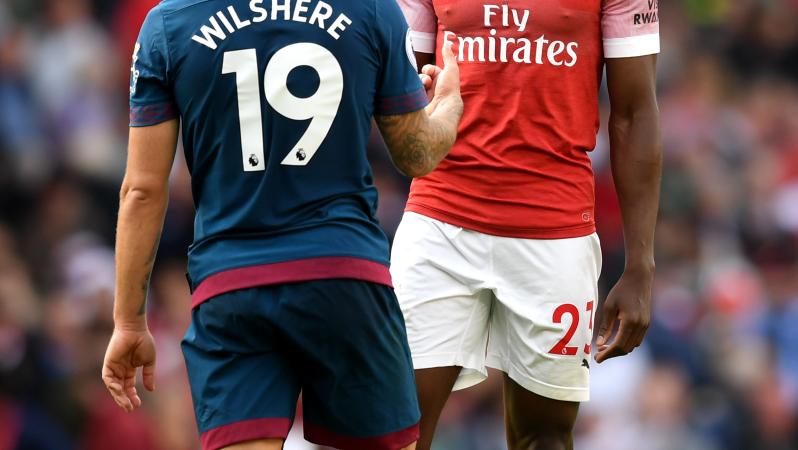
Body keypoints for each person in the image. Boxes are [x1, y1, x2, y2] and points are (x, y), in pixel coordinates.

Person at [100, 1, 463, 449]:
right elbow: (417, 155)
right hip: (345, 279)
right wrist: (448, 105)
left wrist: (129, 322)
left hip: (231, 290)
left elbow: (142, 190)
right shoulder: (372, 10)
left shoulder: (169, 24)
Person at [394, 1, 662, 449]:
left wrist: (641, 265)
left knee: (546, 436)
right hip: (439, 220)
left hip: (555, 233)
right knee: (399, 427)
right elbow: (404, 86)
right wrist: (416, 96)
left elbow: (636, 113)